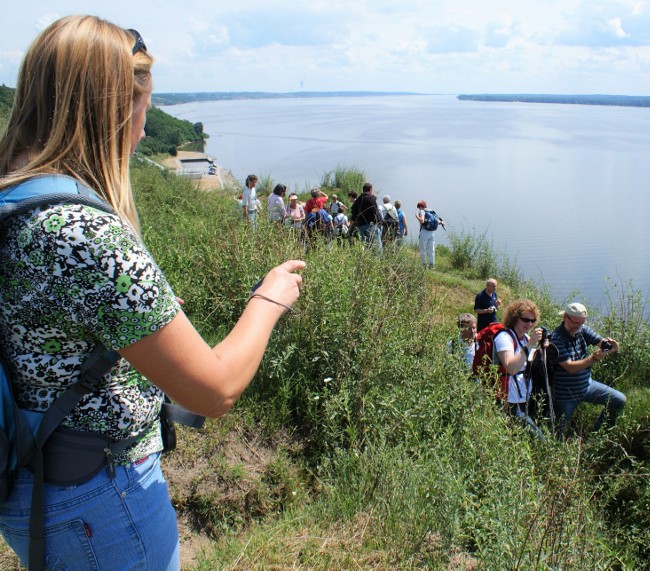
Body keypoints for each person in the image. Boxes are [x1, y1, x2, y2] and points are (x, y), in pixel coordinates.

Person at [0, 17, 305, 569]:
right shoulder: (83, 233)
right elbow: (214, 391)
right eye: (142, 111)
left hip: (35, 484)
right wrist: (269, 299)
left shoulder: (17, 199)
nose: (143, 131)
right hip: (98, 502)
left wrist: (125, 330)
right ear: (114, 110)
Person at [548, 302, 625, 437]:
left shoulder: (582, 330)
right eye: (576, 323)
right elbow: (569, 367)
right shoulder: (556, 339)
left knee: (619, 400)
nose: (579, 326)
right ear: (565, 317)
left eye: (582, 323)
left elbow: (601, 343)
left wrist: (612, 347)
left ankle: (596, 436)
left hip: (587, 387)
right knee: (557, 434)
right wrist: (592, 359)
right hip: (565, 395)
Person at [494, 300, 543, 439]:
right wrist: (531, 344)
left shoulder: (525, 338)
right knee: (538, 437)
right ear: (515, 318)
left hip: (524, 398)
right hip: (509, 400)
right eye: (525, 320)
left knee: (514, 437)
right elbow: (511, 368)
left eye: (532, 321)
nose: (529, 324)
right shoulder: (504, 337)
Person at [350, 182, 382, 252]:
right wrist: (379, 221)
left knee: (365, 244)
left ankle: (366, 258)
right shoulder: (370, 199)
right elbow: (375, 212)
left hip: (360, 226)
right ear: (370, 189)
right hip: (370, 225)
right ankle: (378, 259)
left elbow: (353, 214)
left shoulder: (357, 200)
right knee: (376, 244)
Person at [415, 200, 443, 268]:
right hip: (432, 233)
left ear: (421, 206)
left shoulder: (422, 211)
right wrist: (442, 223)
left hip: (424, 232)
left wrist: (417, 216)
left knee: (423, 249)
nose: (419, 209)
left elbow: (422, 221)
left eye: (419, 207)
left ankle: (424, 265)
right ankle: (432, 265)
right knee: (431, 249)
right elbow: (438, 221)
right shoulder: (431, 211)